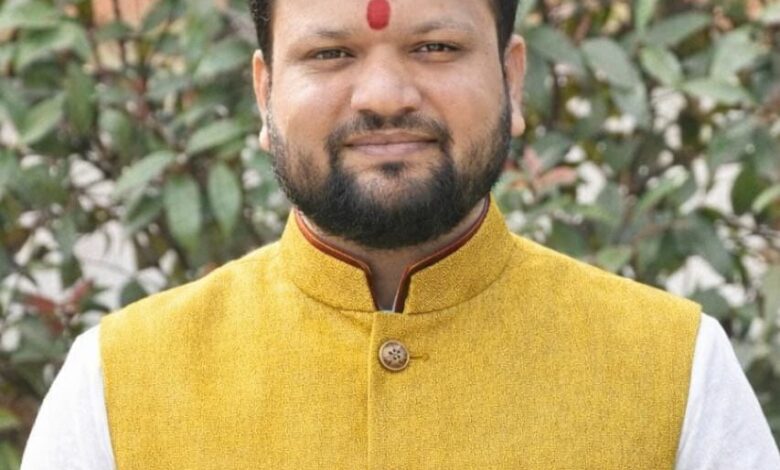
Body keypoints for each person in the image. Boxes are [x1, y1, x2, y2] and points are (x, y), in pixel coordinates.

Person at [21, 0, 780, 468]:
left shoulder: (675, 367)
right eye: (330, 54)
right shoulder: (117, 381)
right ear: (264, 93)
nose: (384, 96)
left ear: (513, 80)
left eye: (436, 48)